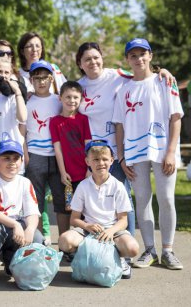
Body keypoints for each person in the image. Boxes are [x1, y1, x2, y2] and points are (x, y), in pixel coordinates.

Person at [76, 42, 177, 238]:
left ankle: (127, 245)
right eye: (87, 59)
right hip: (90, 154)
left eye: (96, 57)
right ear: (80, 63)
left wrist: (163, 71)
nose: (92, 62)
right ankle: (93, 245)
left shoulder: (117, 76)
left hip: (116, 151)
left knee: (122, 200)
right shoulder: (78, 87)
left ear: (102, 58)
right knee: (94, 201)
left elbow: (143, 74)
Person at [113, 38, 184, 270]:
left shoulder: (165, 82)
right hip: (135, 153)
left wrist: (171, 152)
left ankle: (168, 250)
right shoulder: (123, 90)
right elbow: (120, 126)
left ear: (150, 56)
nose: (138, 59)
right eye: (133, 55)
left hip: (162, 150)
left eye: (142, 54)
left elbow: (175, 118)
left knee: (166, 198)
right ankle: (150, 250)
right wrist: (122, 157)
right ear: (127, 60)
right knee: (142, 200)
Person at [58, 140, 140, 279]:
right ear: (87, 161)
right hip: (88, 229)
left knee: (133, 249)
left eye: (104, 159)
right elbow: (74, 219)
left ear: (112, 160)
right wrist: (87, 226)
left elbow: (123, 220)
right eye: (95, 159)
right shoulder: (83, 186)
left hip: (112, 229)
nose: (100, 163)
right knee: (64, 241)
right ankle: (83, 256)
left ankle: (119, 260)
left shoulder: (118, 186)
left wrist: (110, 231)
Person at [0, 139, 43, 284]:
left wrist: (29, 229)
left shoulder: (25, 182)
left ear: (21, 161)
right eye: (6, 158)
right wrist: (15, 225)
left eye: (16, 158)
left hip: (13, 226)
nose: (12, 162)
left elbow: (33, 212)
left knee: (36, 238)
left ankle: (11, 261)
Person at [24, 60, 63, 246]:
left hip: (58, 156)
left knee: (61, 198)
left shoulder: (59, 100)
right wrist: (26, 155)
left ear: (51, 78)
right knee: (36, 201)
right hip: (34, 154)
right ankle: (38, 241)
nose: (41, 82)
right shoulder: (27, 102)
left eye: (45, 78)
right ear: (31, 80)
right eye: (37, 78)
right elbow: (21, 131)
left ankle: (64, 241)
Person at [49, 81, 92, 238]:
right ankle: (64, 244)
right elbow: (58, 149)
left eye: (75, 97)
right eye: (68, 97)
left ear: (81, 99)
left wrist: (89, 169)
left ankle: (80, 242)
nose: (71, 100)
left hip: (83, 173)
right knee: (63, 208)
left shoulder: (83, 120)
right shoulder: (55, 122)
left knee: (81, 209)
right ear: (60, 98)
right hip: (65, 173)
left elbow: (89, 146)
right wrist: (62, 172)